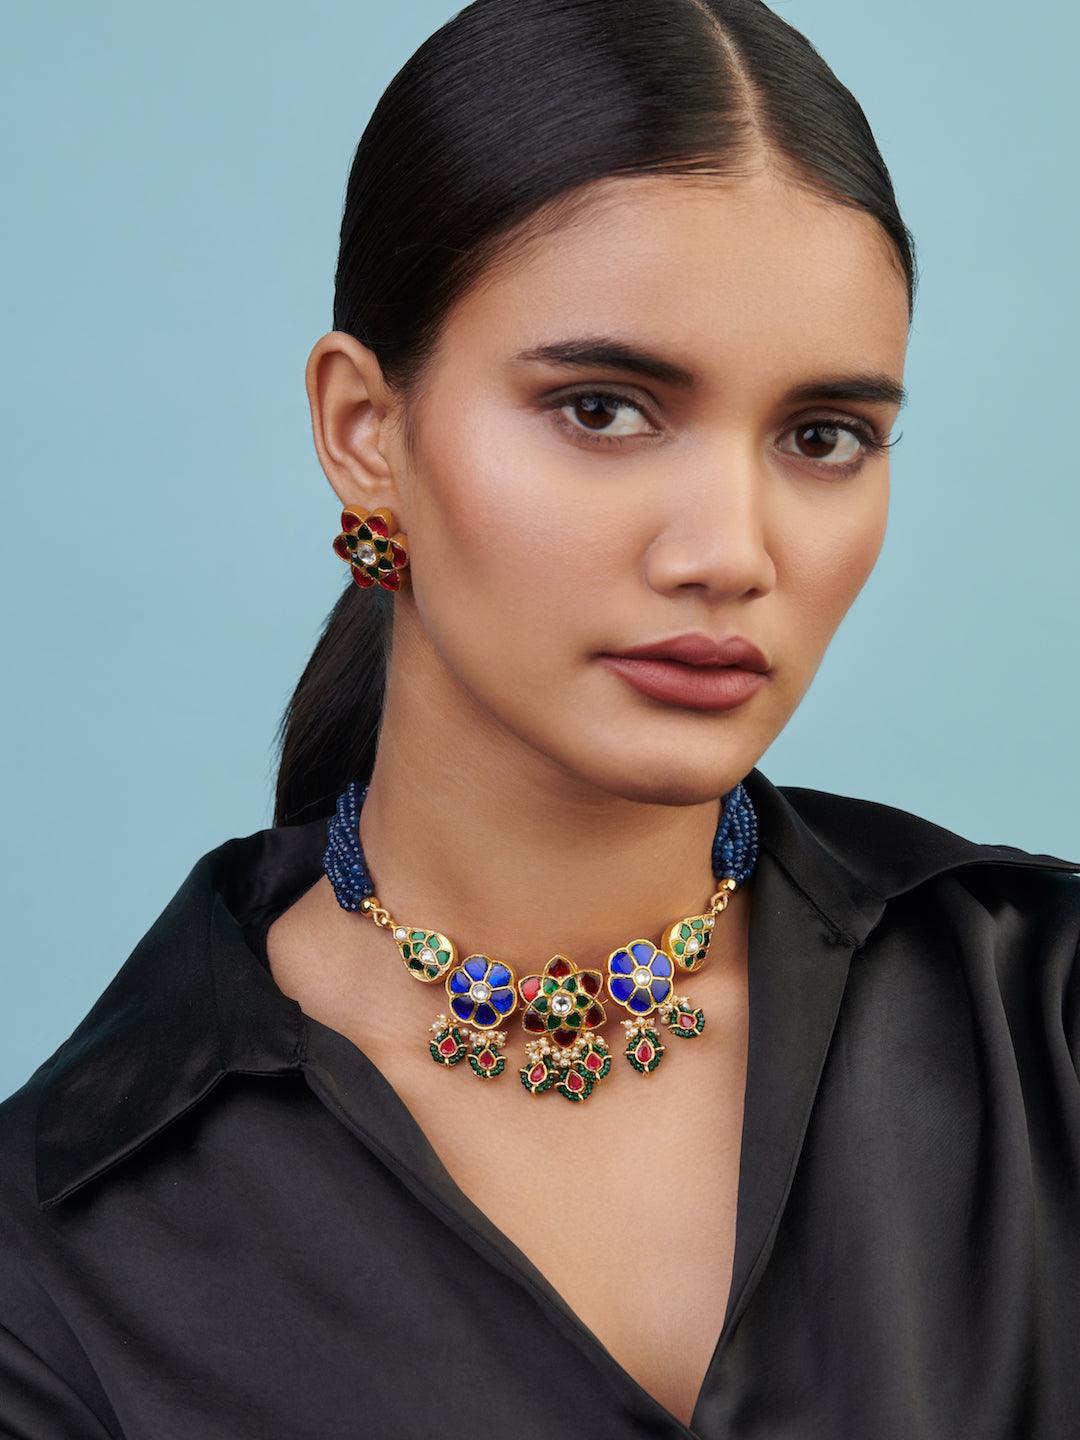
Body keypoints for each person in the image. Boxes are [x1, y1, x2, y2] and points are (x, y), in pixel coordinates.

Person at [2, 0, 1077, 1435]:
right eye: (603, 409)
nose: (730, 551)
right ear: (365, 433)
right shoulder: (59, 1260)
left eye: (824, 437)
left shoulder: (1045, 1022)